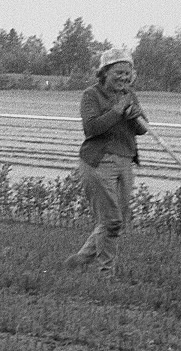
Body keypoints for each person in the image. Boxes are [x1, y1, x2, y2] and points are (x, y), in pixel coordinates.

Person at [63, 48, 148, 275]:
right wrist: (117, 111)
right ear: (105, 73)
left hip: (125, 160)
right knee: (111, 220)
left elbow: (142, 129)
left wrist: (135, 116)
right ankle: (105, 273)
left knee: (118, 219)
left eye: (127, 73)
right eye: (118, 72)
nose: (123, 78)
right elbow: (91, 128)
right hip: (99, 162)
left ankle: (82, 258)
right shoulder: (91, 95)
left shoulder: (129, 95)